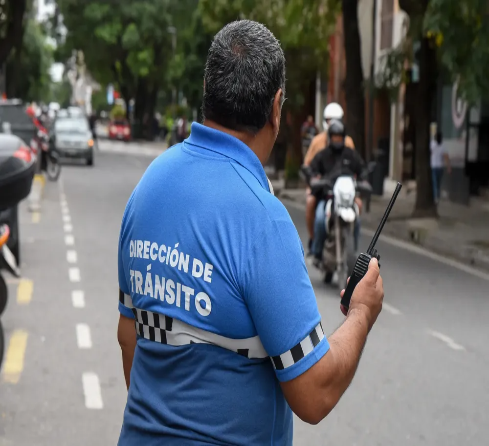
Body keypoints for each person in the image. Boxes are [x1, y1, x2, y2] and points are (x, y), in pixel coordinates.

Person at [117, 20, 384, 446]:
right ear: (276, 107)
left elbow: (129, 336)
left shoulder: (149, 186)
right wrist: (362, 312)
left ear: (207, 88)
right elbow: (314, 391)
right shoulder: (263, 221)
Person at [303, 103, 356, 254]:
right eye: (329, 120)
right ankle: (314, 241)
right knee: (311, 204)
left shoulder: (348, 144)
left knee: (358, 206)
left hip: (343, 191)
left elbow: (356, 165)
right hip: (322, 189)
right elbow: (308, 166)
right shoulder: (317, 143)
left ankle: (353, 246)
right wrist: (313, 183)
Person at [310, 120, 365, 264]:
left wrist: (363, 181)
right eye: (334, 137)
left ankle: (353, 251)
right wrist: (315, 179)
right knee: (320, 219)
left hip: (347, 199)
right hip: (327, 197)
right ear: (330, 137)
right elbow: (312, 170)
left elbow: (362, 171)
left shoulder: (351, 155)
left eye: (339, 137)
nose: (337, 139)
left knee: (357, 220)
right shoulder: (322, 155)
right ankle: (317, 252)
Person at [430, 131, 451, 204]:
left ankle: (436, 197)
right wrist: (448, 167)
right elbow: (446, 157)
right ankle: (437, 196)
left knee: (435, 183)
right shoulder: (443, 146)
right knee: (438, 183)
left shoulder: (432, 144)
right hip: (440, 167)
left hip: (434, 166)